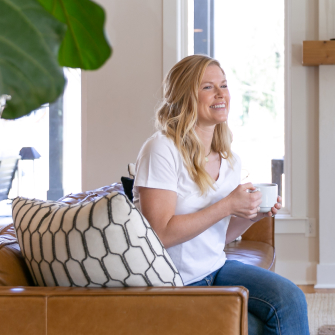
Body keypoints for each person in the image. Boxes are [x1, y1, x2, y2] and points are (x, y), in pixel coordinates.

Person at [133, 55, 309, 335]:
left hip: (214, 268)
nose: (220, 94)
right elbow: (159, 234)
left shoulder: (230, 159)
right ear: (185, 96)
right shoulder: (162, 150)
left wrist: (253, 215)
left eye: (223, 85)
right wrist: (227, 205)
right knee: (255, 328)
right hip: (174, 282)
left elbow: (219, 235)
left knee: (291, 299)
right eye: (207, 87)